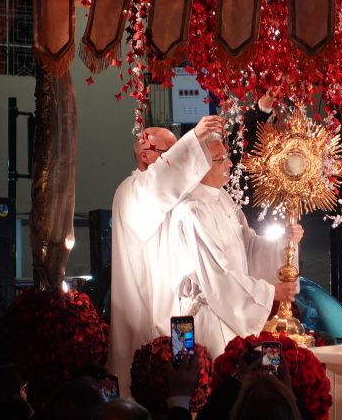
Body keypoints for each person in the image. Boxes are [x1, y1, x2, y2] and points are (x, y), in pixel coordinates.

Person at [109, 114, 223, 394]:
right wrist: (193, 138)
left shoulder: (170, 193)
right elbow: (162, 182)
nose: (179, 160)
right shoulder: (133, 191)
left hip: (181, 310)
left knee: (185, 385)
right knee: (155, 388)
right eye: (170, 153)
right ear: (146, 155)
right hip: (151, 309)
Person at [168, 136, 301, 358]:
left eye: (227, 157)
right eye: (221, 159)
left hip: (229, 310)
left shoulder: (223, 199)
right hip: (207, 316)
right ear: (199, 166)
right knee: (210, 384)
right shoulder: (191, 211)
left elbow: (248, 247)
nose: (229, 164)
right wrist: (270, 292)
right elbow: (217, 274)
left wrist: (284, 244)